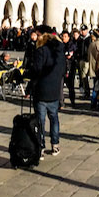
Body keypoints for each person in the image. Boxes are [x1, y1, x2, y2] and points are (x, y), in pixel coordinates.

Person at [24, 25, 68, 155]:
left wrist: (28, 85)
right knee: (54, 118)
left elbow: (36, 71)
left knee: (40, 120)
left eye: (37, 35)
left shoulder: (41, 51)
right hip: (54, 90)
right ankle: (55, 145)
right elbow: (62, 70)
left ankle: (40, 146)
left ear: (43, 35)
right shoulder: (59, 51)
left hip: (41, 90)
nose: (36, 37)